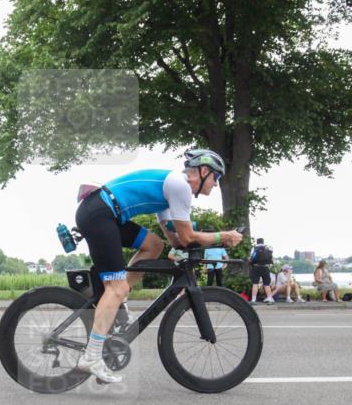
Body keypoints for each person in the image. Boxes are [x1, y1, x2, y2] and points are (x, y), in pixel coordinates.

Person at [74, 149, 243, 384]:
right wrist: (223, 236)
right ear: (204, 171)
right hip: (100, 214)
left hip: (103, 211)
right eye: (216, 177)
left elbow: (174, 238)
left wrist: (180, 244)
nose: (216, 184)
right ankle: (91, 356)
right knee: (116, 287)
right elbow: (187, 236)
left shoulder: (171, 188)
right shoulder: (181, 186)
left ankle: (119, 301)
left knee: (154, 246)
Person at [249, 238, 275, 304]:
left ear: (257, 242)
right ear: (263, 242)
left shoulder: (254, 248)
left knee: (255, 284)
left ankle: (253, 300)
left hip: (256, 267)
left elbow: (251, 257)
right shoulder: (267, 248)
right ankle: (269, 299)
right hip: (265, 267)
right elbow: (270, 258)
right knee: (266, 284)